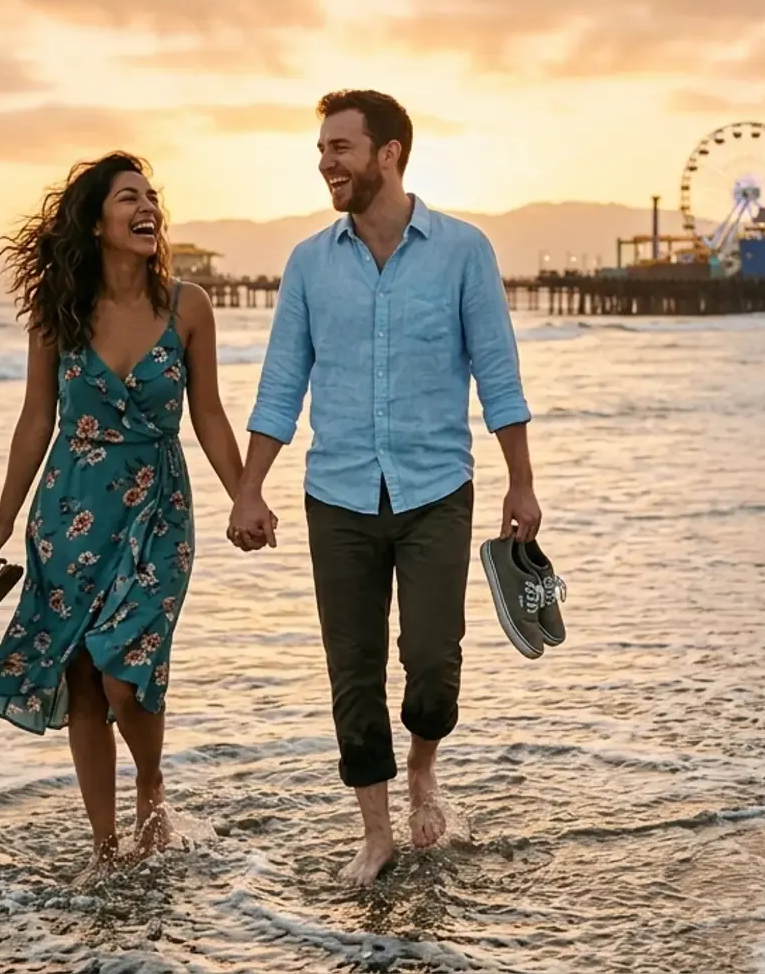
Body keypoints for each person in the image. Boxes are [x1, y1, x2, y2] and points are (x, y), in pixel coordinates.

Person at [231, 90, 540, 888]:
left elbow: (498, 373)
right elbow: (280, 384)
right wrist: (249, 488)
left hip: (437, 487)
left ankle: (424, 768)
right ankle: (376, 831)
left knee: (433, 662)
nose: (326, 162)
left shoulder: (463, 251)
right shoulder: (308, 263)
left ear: (389, 154)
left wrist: (522, 483)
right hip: (336, 497)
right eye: (323, 149)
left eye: (341, 147)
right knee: (353, 671)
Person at [0, 152, 255, 886]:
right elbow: (34, 422)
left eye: (153, 196)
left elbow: (208, 414)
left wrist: (245, 493)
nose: (148, 207)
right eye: (129, 197)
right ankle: (104, 845)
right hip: (70, 506)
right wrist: (0, 523)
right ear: (97, 221)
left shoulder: (188, 308)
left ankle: (151, 783)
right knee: (84, 677)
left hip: (158, 506)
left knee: (128, 669)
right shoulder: (58, 314)